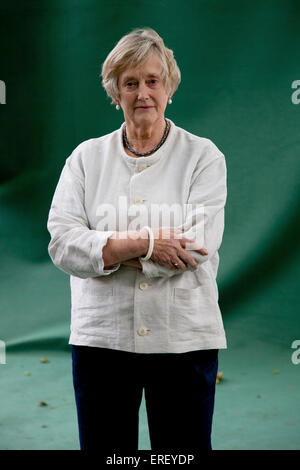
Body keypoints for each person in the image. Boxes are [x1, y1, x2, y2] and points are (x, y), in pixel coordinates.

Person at [47, 27, 227, 452]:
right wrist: (146, 244)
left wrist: (102, 250)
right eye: (130, 83)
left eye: (152, 80)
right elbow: (62, 243)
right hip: (101, 340)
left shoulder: (204, 156)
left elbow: (195, 248)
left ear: (169, 88)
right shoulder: (85, 159)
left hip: (181, 338)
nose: (142, 92)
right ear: (116, 93)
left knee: (181, 453)